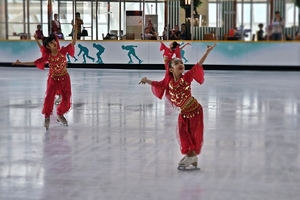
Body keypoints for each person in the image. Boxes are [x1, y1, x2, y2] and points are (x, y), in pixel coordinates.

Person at [139, 43, 217, 170]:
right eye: (176, 63)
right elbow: (158, 84)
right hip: (184, 113)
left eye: (181, 62)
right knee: (183, 134)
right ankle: (191, 156)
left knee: (191, 134)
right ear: (171, 69)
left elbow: (198, 66)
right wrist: (146, 80)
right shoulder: (168, 82)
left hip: (195, 111)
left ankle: (192, 156)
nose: (180, 64)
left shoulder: (186, 78)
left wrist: (207, 52)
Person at [12, 24, 78, 130]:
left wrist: (75, 30)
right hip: (53, 79)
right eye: (51, 43)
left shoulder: (62, 51)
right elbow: (35, 62)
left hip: (65, 78)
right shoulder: (48, 56)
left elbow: (73, 43)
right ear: (48, 46)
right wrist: (21, 63)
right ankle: (47, 117)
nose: (54, 43)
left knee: (67, 98)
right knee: (49, 98)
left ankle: (60, 114)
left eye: (54, 41)